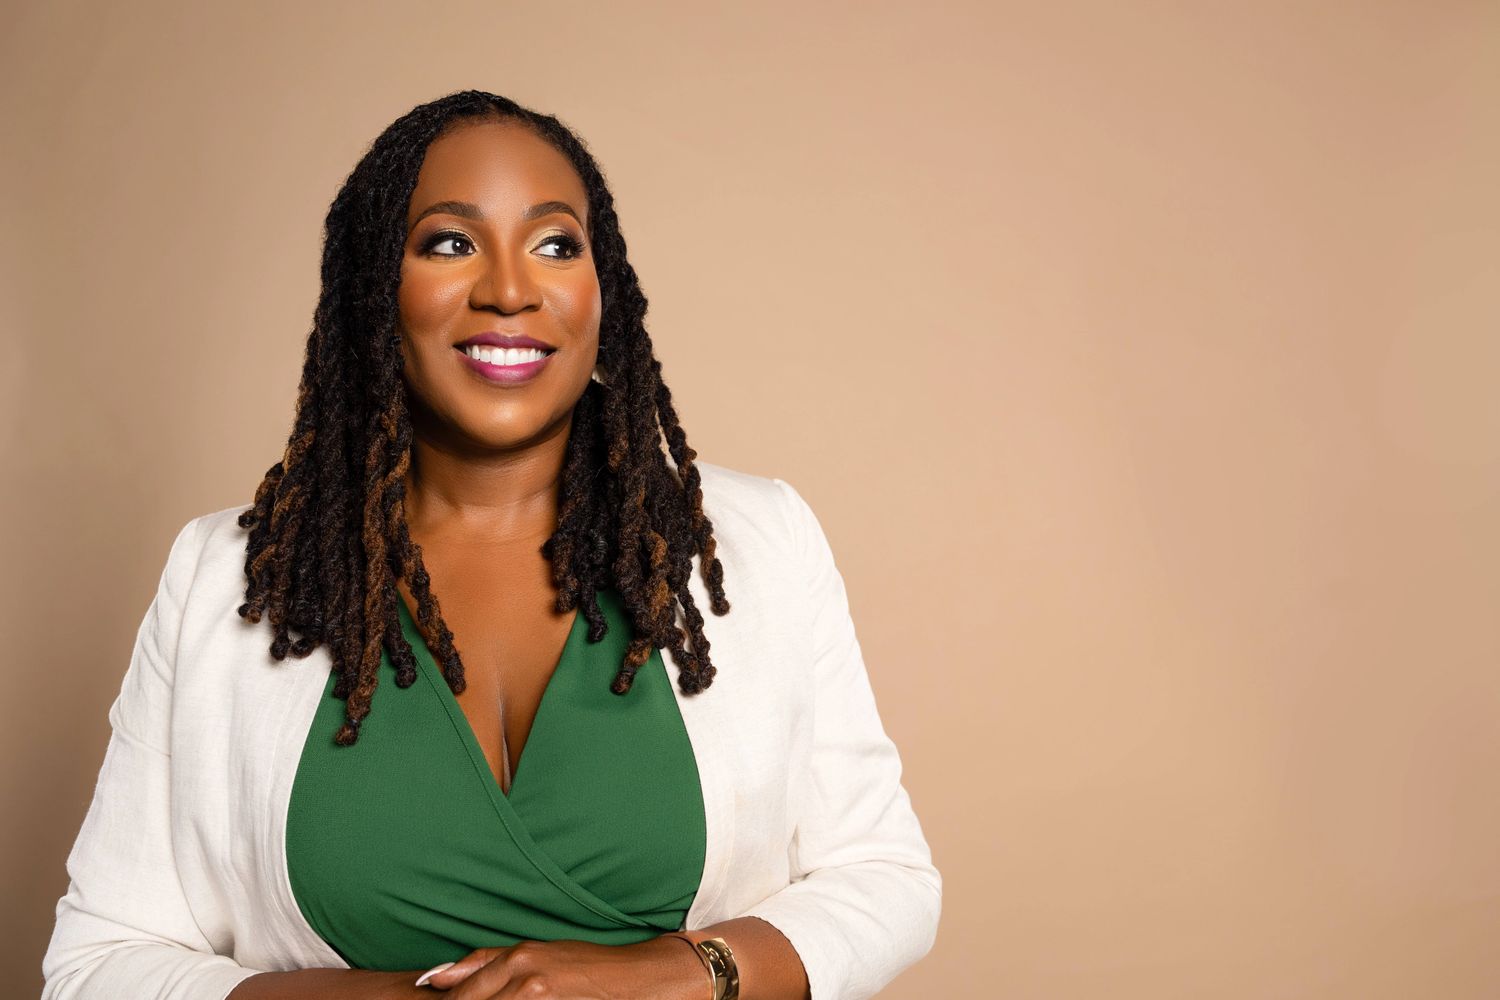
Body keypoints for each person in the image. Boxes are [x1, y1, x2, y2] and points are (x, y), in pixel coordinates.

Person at [41, 90, 940, 1000]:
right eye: (449, 243)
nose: (510, 289)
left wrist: (674, 974)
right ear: (373, 289)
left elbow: (885, 877)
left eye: (555, 245)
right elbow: (99, 963)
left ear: (603, 289)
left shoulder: (762, 542)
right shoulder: (223, 580)